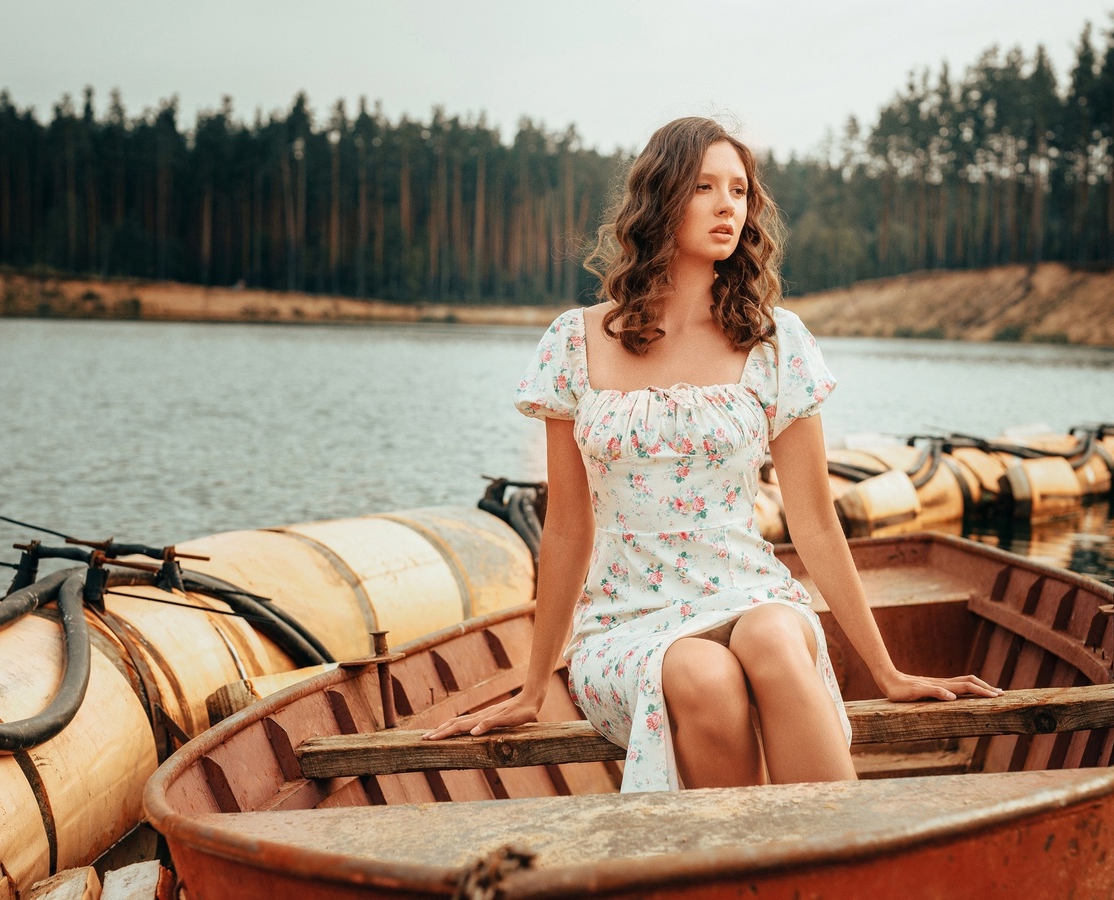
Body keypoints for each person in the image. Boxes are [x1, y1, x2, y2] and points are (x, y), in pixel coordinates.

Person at [424, 117, 999, 791]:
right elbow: (568, 530)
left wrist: (888, 673)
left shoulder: (775, 342)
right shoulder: (574, 343)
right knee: (702, 674)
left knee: (773, 642)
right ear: (661, 198)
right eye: (704, 187)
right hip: (626, 624)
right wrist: (531, 688)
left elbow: (814, 523)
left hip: (749, 592)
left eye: (740, 190)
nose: (729, 205)